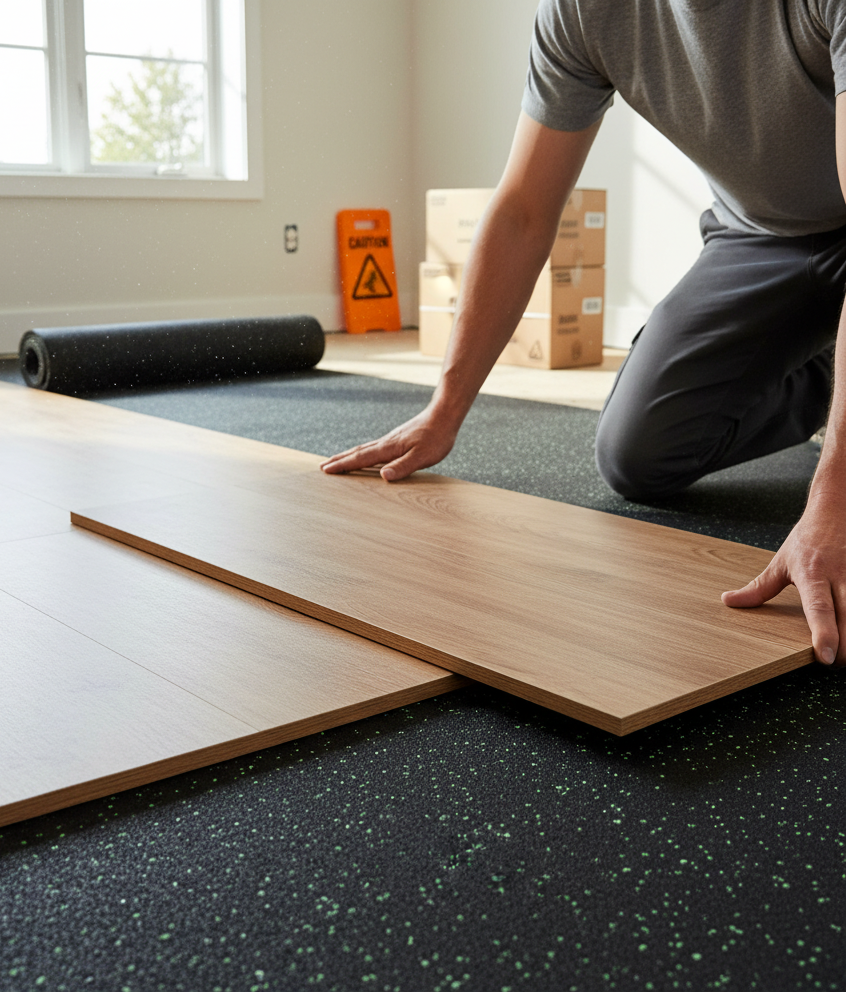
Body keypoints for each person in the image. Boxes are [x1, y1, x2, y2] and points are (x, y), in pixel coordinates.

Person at [321, 0, 846, 668]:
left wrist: (833, 498)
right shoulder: (584, 10)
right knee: (638, 455)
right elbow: (522, 212)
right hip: (758, 238)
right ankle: (830, 372)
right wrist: (444, 407)